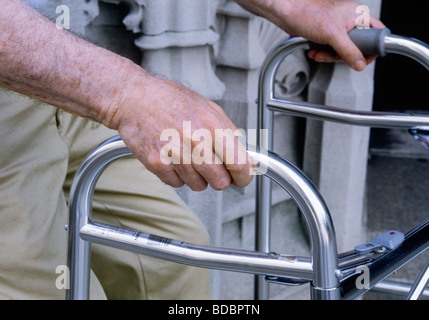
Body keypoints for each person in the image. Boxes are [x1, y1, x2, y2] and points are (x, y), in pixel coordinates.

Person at [0, 0, 384, 299]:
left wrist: (292, 6)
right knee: (63, 289)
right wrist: (126, 93)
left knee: (176, 259)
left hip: (59, 77)